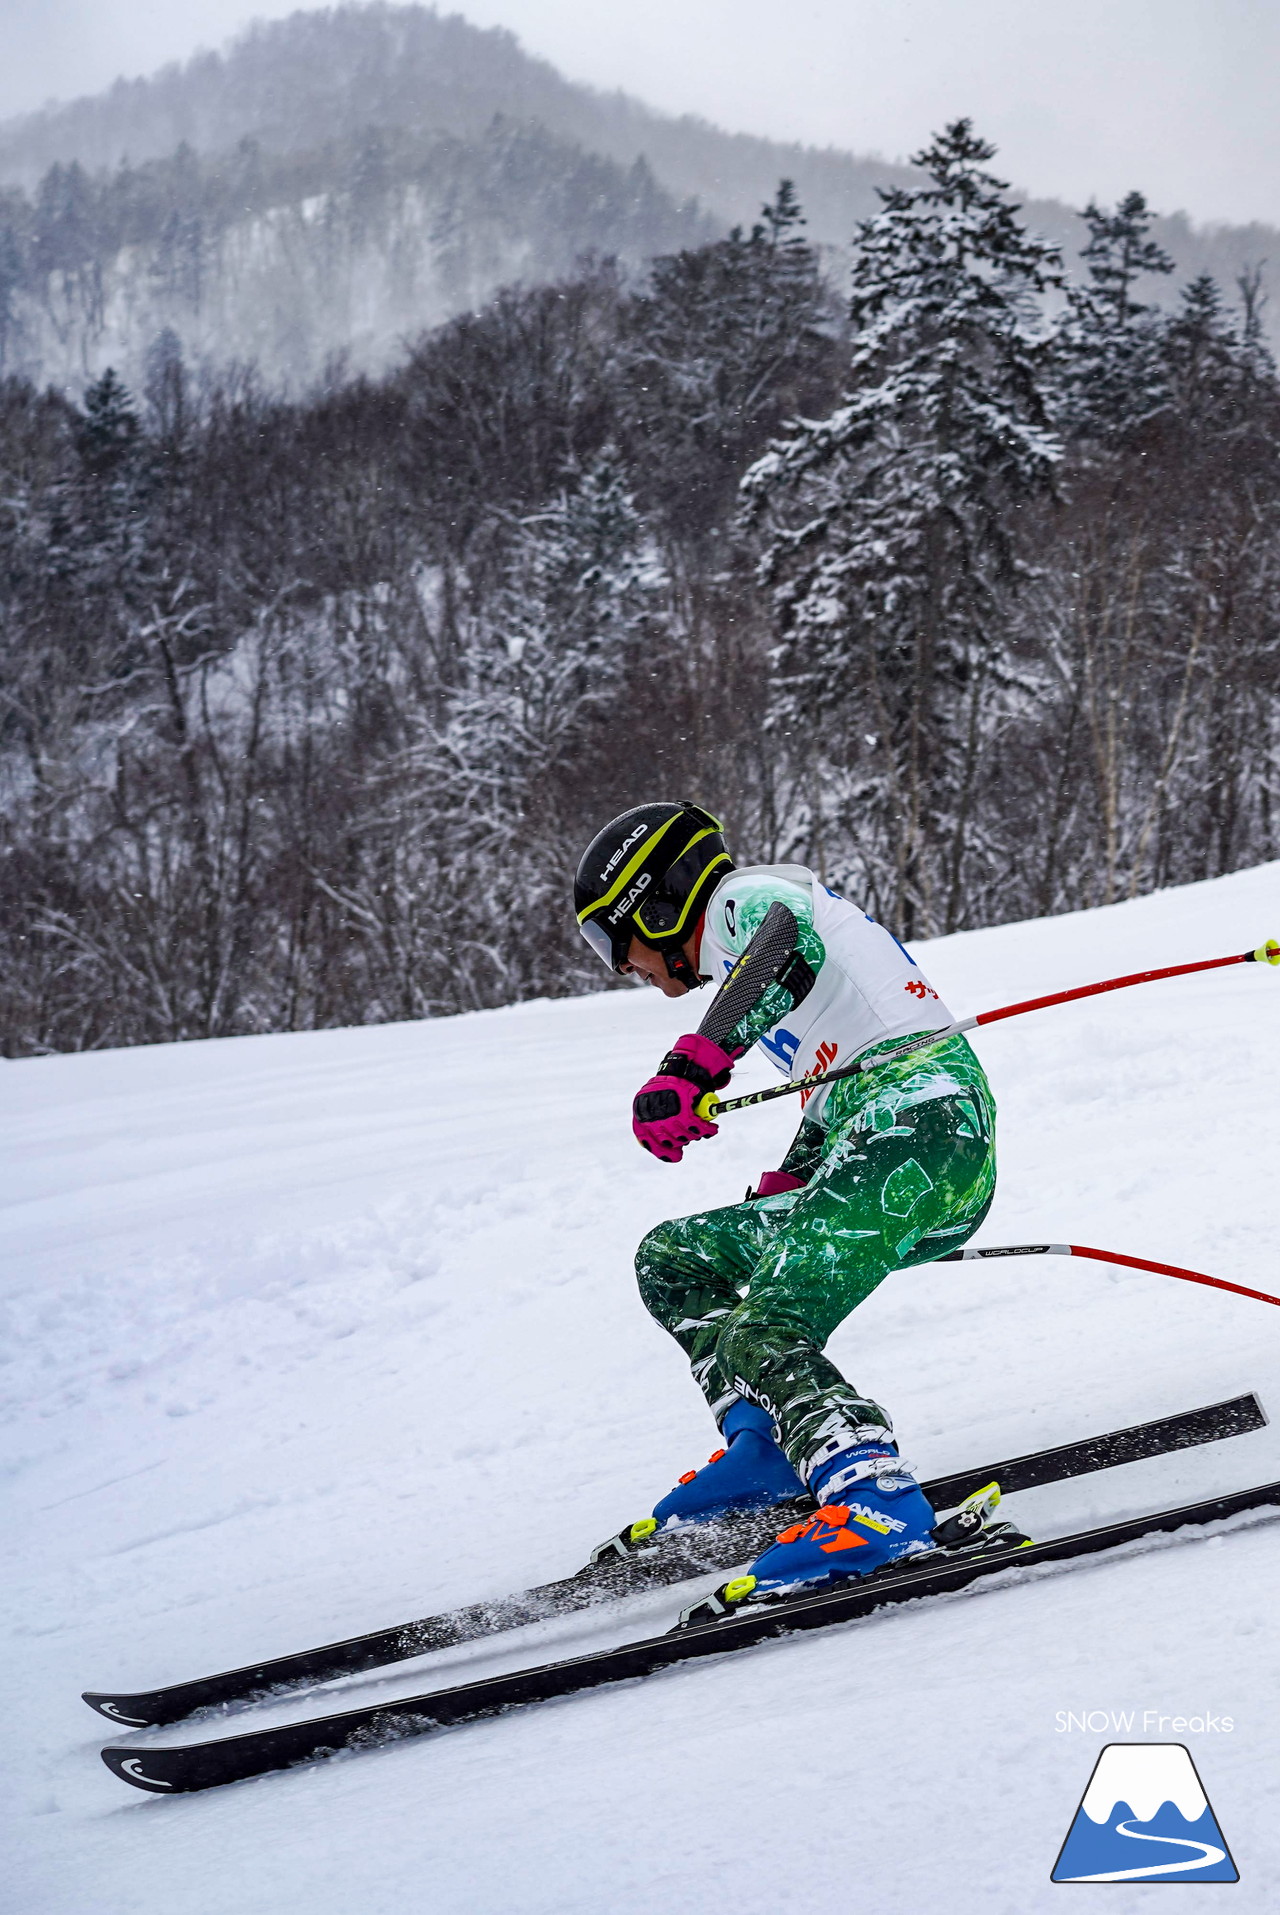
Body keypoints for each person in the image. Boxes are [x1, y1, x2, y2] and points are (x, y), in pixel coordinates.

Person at [574, 799, 998, 1602]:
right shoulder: (777, 982)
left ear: (658, 905)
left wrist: (692, 1064)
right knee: (674, 1258)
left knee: (765, 1321)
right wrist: (795, 1173)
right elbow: (842, 1085)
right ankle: (764, 1447)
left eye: (610, 938)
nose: (621, 965)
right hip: (889, 1138)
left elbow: (784, 947)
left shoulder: (744, 903)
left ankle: (874, 1496)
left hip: (927, 1130)